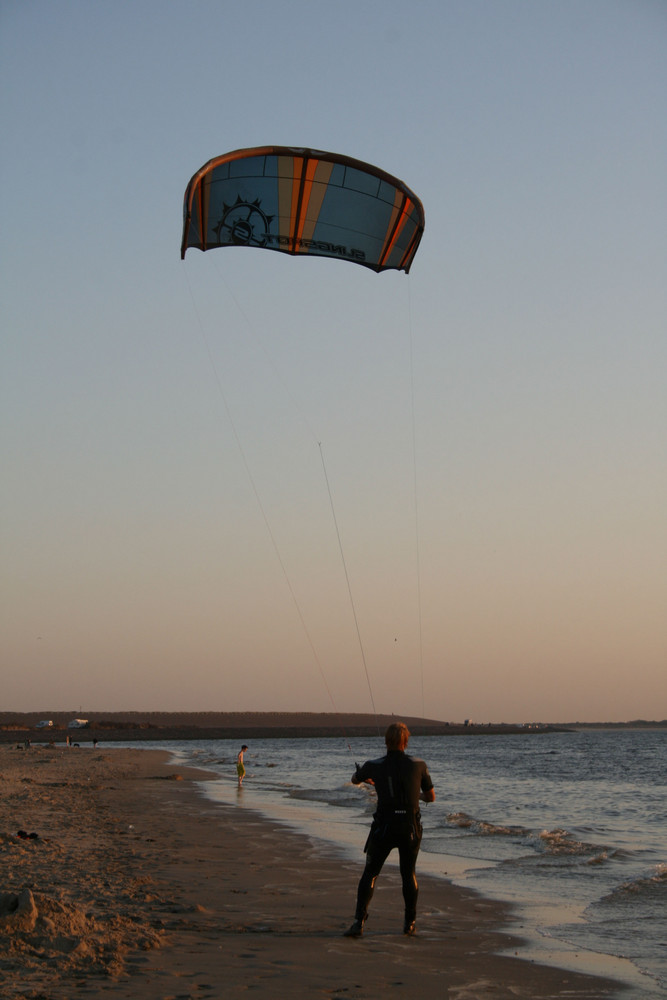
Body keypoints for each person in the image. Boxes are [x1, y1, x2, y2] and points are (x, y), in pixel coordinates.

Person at [344, 722, 435, 938]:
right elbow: (431, 797)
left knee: (371, 873)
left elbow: (354, 779)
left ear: (386, 741)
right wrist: (416, 796)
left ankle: (358, 923)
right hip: (410, 829)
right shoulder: (419, 764)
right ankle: (409, 923)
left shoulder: (373, 764)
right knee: (408, 874)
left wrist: (367, 779)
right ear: (406, 741)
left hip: (384, 828)